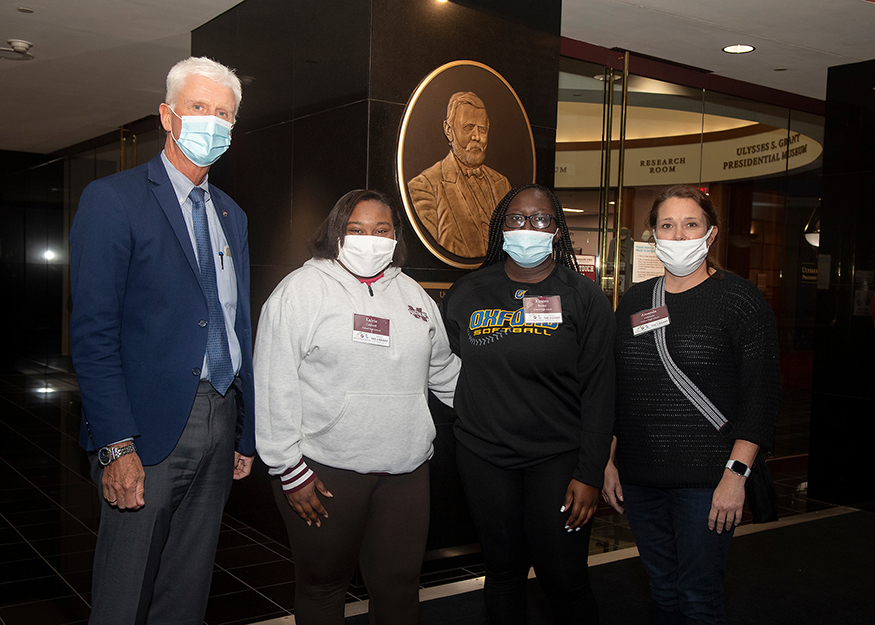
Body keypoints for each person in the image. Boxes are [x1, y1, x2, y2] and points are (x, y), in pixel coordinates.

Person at [69, 57, 255, 624]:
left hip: (220, 419)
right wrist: (117, 445)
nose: (213, 122)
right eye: (200, 108)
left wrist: (245, 434)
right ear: (168, 116)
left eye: (224, 114)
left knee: (188, 588)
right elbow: (93, 334)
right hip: (146, 428)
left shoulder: (233, 214)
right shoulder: (114, 199)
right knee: (124, 596)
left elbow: (235, 321)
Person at [253, 189, 460, 625]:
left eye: (381, 230)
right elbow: (274, 383)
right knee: (324, 588)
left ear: (395, 236)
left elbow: (444, 371)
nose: (371, 239)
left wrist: (508, 408)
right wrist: (289, 469)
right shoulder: (301, 291)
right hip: (325, 473)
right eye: (357, 229)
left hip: (405, 473)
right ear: (337, 233)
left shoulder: (415, 297)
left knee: (400, 588)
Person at [602, 185, 781, 625]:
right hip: (641, 480)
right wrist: (608, 459)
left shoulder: (740, 301)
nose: (679, 235)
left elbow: (761, 397)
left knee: (698, 598)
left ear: (711, 233)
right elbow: (621, 386)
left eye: (690, 224)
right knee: (662, 594)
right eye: (667, 225)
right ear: (653, 235)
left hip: (708, 482)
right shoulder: (638, 300)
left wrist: (736, 476)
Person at [441, 183, 615, 624]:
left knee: (564, 576)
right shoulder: (467, 292)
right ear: (502, 227)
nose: (528, 228)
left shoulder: (584, 298)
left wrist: (590, 472)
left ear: (556, 230)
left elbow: (599, 391)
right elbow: (449, 363)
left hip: (558, 460)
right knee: (502, 572)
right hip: (483, 457)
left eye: (541, 219)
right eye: (517, 218)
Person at [408, 91, 512, 258]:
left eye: (482, 129)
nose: (477, 137)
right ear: (449, 131)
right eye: (468, 127)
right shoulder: (425, 186)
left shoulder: (502, 185)